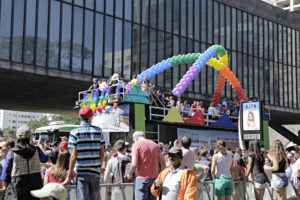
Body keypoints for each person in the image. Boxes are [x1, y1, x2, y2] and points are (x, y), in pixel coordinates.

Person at [62, 107, 105, 200]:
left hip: (81, 173)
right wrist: (100, 167)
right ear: (90, 117)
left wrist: (69, 175)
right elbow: (102, 153)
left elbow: (73, 156)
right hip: (95, 173)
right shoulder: (98, 131)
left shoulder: (74, 132)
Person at [1, 125, 49, 200]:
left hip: (18, 185)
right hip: (35, 183)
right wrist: (40, 145)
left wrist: (6, 188)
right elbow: (45, 158)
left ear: (17, 138)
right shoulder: (36, 150)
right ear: (30, 137)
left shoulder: (12, 152)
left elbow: (6, 172)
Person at [127, 131, 165, 200]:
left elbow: (134, 163)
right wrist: (162, 177)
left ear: (135, 138)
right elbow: (163, 163)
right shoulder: (155, 145)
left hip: (141, 179)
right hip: (154, 179)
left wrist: (129, 173)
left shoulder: (136, 145)